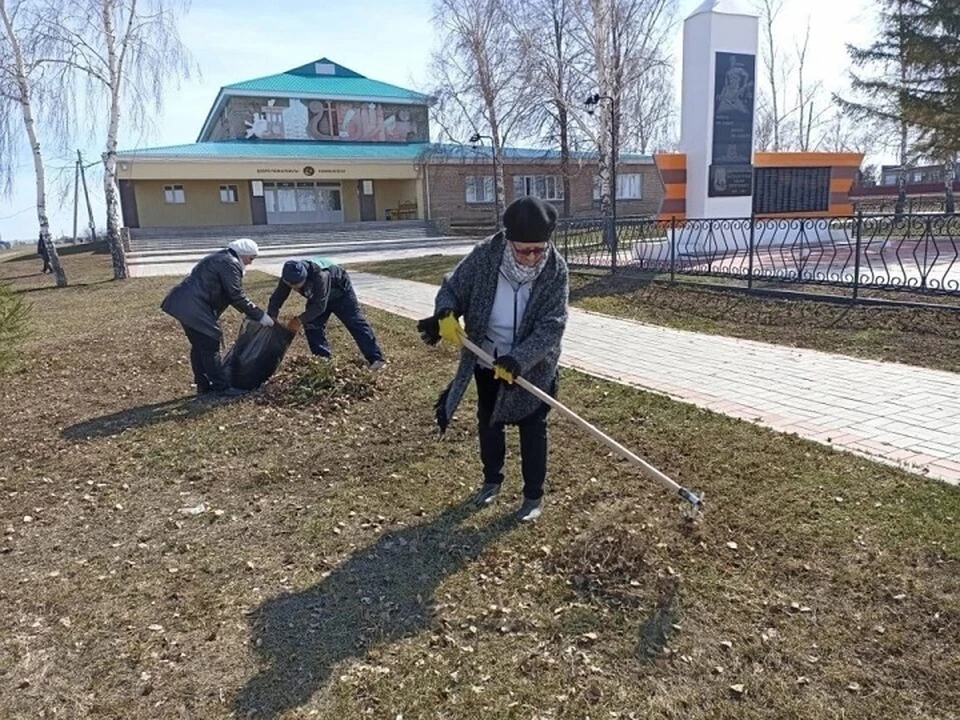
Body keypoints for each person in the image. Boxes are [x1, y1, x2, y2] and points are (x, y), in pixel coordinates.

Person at [417, 197, 569, 522]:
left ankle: (532, 497)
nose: (531, 258)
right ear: (508, 240)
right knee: (489, 422)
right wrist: (446, 312)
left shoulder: (555, 270)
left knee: (532, 428)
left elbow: (552, 325)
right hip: (487, 356)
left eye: (538, 250)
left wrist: (520, 358)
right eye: (523, 250)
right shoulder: (486, 256)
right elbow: (452, 287)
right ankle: (491, 481)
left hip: (533, 364)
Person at [161, 238, 273, 398]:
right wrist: (260, 315)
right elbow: (235, 295)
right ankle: (221, 388)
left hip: (186, 304)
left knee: (200, 346)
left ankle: (203, 386)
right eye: (251, 258)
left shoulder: (223, 258)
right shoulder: (230, 263)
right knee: (209, 343)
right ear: (243, 254)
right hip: (193, 306)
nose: (250, 263)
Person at [267, 258, 386, 370]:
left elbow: (319, 306)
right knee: (312, 325)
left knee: (355, 322)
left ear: (305, 275)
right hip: (318, 297)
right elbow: (277, 298)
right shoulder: (288, 277)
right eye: (293, 285)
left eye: (300, 284)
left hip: (341, 294)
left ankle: (376, 359)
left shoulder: (320, 274)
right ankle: (323, 361)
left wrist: (299, 320)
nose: (297, 288)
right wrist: (271, 317)